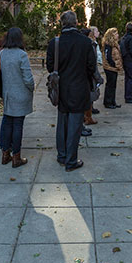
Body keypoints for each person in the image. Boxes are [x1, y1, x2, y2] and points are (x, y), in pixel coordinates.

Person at [46, 11, 96, 172]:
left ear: (62, 23)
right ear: (75, 23)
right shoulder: (85, 42)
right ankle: (71, 161)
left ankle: (62, 155)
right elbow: (91, 67)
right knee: (75, 126)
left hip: (61, 88)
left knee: (62, 123)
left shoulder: (55, 43)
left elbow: (49, 66)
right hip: (79, 87)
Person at [0, 27, 35, 168]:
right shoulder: (21, 55)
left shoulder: (2, 53)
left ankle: (5, 154)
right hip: (20, 94)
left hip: (8, 94)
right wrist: (32, 88)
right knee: (18, 125)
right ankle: (16, 157)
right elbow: (28, 78)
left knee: (7, 123)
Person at [81, 27, 104, 131]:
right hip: (88, 76)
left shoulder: (87, 44)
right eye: (96, 31)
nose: (98, 33)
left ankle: (85, 117)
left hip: (84, 75)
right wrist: (98, 78)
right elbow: (92, 64)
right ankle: (88, 118)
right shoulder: (91, 45)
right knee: (89, 97)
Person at [102, 27, 123, 109]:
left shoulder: (115, 44)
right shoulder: (108, 44)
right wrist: (114, 65)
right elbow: (108, 57)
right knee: (110, 85)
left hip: (113, 68)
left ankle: (112, 101)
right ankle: (108, 102)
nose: (117, 35)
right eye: (116, 34)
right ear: (111, 35)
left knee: (113, 85)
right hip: (110, 68)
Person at [120, 22, 132, 104]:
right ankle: (130, 97)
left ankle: (127, 96)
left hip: (125, 60)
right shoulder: (131, 39)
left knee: (128, 79)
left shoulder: (123, 38)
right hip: (131, 61)